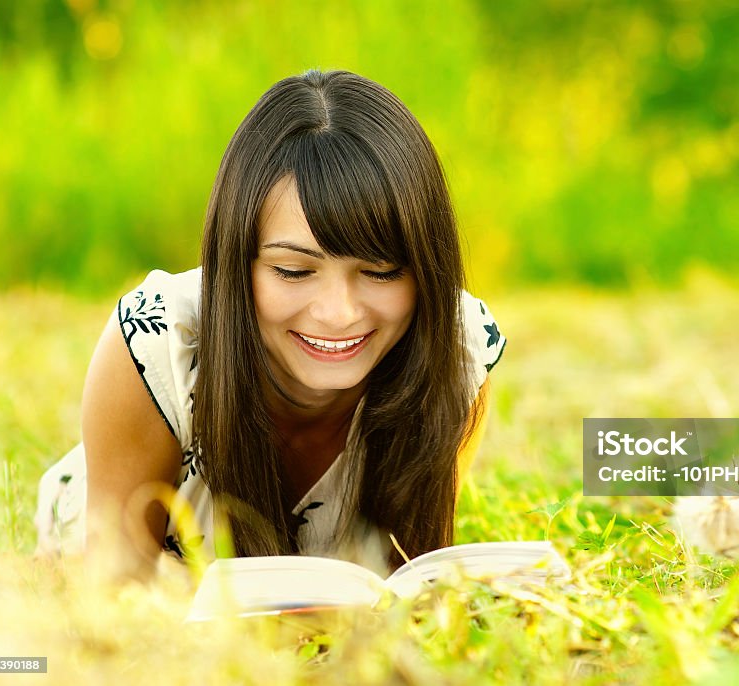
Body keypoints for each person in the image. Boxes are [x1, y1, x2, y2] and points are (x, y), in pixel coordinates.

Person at [33, 69, 506, 581]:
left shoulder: (456, 350)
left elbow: (408, 574)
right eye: (294, 271)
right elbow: (117, 590)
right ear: (238, 260)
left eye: (381, 271)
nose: (339, 312)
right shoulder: (157, 340)